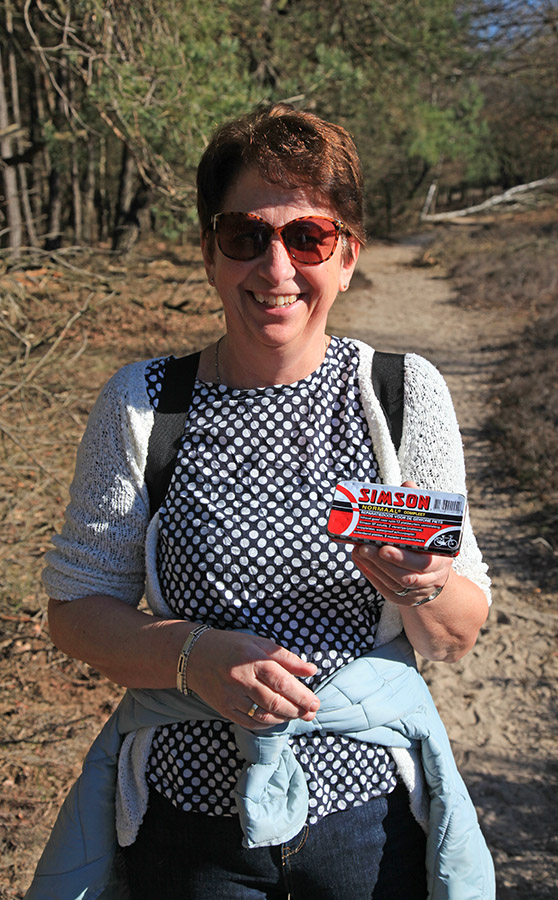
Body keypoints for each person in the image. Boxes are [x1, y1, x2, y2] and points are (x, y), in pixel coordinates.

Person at [38, 104, 492, 900]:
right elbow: (76, 611)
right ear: (211, 254)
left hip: (369, 825)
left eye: (308, 236)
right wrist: (196, 659)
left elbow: (455, 637)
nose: (276, 268)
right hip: (188, 827)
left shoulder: (400, 394)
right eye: (246, 236)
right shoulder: (144, 402)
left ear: (348, 256)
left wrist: (420, 584)